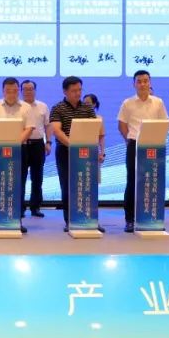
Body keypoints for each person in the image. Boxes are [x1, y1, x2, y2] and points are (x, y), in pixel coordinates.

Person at [49, 76, 106, 233]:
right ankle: (70, 220)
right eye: (74, 90)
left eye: (79, 90)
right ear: (65, 91)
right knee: (68, 186)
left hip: (86, 152)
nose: (77, 93)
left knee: (88, 185)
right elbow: (57, 130)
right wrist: (72, 145)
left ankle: (91, 219)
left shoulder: (87, 108)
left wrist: (95, 150)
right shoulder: (58, 108)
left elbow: (94, 128)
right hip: (65, 152)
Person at [117, 70, 169, 233]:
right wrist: (129, 140)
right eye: (139, 81)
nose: (143, 84)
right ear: (134, 84)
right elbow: (122, 125)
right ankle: (129, 220)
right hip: (134, 144)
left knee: (153, 181)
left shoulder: (158, 102)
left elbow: (164, 123)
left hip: (154, 146)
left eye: (146, 81)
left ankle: (152, 218)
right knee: (132, 181)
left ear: (150, 82)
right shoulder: (128, 103)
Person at [0, 77, 34, 233]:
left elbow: (29, 128)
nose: (11, 93)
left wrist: (15, 143)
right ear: (3, 90)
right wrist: (2, 140)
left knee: (19, 183)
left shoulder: (26, 107)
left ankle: (16, 219)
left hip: (20, 150)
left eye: (14, 90)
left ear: (18, 90)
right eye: (8, 90)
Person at [21, 79, 50, 217]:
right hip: (22, 144)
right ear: (21, 91)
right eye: (25, 89)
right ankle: (19, 208)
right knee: (20, 177)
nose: (28, 91)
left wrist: (48, 142)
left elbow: (48, 126)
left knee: (37, 177)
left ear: (35, 90)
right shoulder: (18, 107)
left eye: (31, 89)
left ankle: (35, 207)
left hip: (38, 144)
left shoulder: (43, 106)